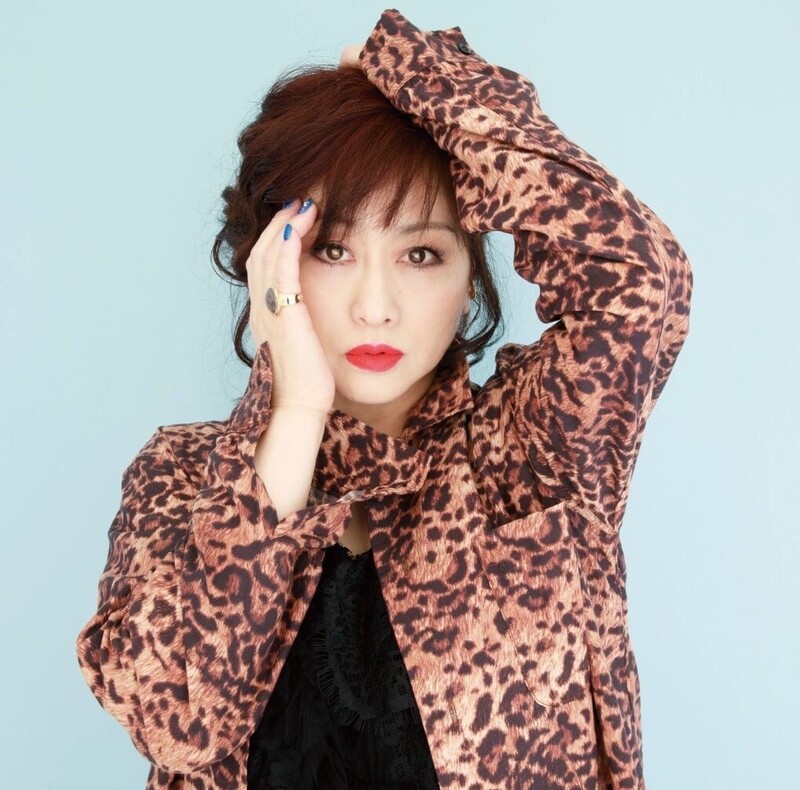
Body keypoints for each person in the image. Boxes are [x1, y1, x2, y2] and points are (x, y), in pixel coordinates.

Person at [75, 9, 692, 790]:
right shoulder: (182, 475)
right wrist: (297, 411)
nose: (376, 306)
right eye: (333, 249)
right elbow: (178, 720)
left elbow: (643, 279)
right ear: (270, 264)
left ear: (469, 277)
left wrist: (423, 76)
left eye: (421, 253)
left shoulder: (531, 449)